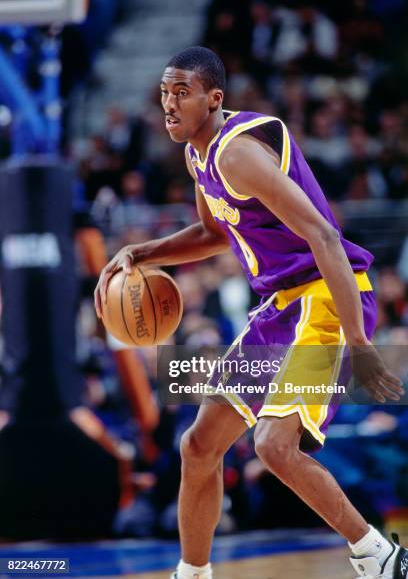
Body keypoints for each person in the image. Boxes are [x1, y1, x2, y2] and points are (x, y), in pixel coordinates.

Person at [94, 47, 407, 579]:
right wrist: (144, 252)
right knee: (198, 446)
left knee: (273, 445)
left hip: (327, 298)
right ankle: (191, 573)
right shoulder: (199, 154)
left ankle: (380, 558)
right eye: (165, 93)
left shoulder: (237, 153)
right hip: (280, 309)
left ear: (213, 99)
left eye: (182, 93)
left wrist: (359, 343)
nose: (169, 104)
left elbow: (324, 235)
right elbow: (215, 233)